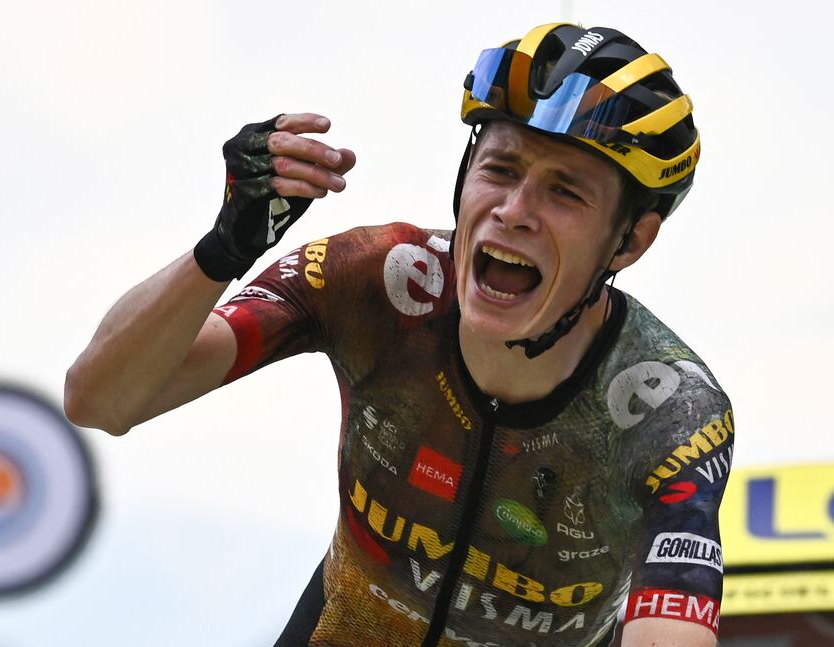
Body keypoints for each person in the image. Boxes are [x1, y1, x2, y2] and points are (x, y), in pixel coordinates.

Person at [65, 22, 731, 647]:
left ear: (631, 239)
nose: (513, 210)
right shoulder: (376, 281)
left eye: (565, 193)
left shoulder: (669, 411)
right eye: (499, 169)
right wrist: (219, 251)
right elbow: (98, 399)